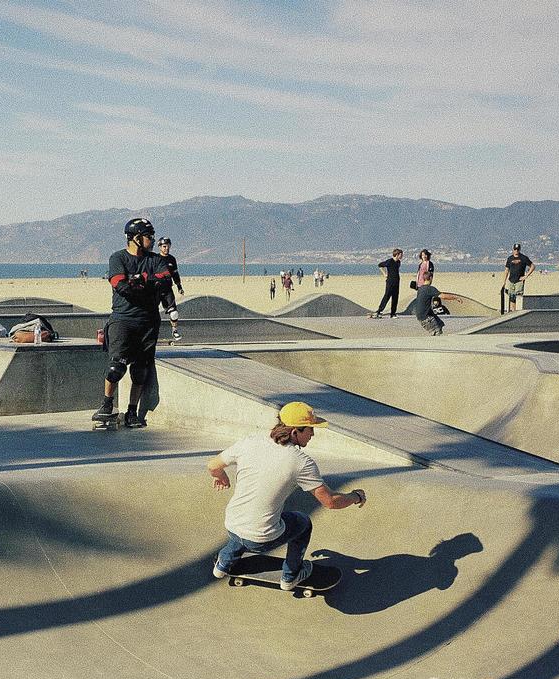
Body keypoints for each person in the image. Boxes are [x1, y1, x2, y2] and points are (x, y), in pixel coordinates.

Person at [207, 402, 367, 589]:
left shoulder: (249, 442)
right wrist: (356, 496)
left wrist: (222, 478)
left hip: (231, 524)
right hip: (261, 538)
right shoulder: (301, 462)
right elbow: (330, 502)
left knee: (247, 520)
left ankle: (223, 564)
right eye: (310, 429)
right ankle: (291, 575)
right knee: (303, 523)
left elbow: (212, 465)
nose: (313, 434)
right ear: (294, 432)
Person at [92, 217, 173, 429]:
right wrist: (148, 284)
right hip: (123, 320)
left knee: (140, 370)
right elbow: (121, 286)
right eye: (149, 236)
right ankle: (107, 404)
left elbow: (165, 281)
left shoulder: (156, 259)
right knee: (116, 366)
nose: (153, 240)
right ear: (136, 238)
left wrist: (139, 282)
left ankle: (131, 411)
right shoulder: (117, 258)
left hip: (148, 321)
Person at [157, 237, 184, 342]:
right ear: (160, 247)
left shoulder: (172, 259)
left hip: (168, 289)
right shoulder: (155, 258)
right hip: (156, 289)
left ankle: (174, 330)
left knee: (174, 313)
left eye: (168, 246)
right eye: (164, 246)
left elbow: (175, 274)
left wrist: (179, 287)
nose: (166, 248)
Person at [369, 248, 403, 318]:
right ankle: (379, 311)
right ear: (397, 255)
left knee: (395, 297)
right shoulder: (389, 261)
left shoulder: (398, 262)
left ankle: (393, 313)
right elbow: (380, 265)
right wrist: (384, 274)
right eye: (401, 255)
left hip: (397, 281)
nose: (402, 256)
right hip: (390, 282)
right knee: (387, 296)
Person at [502, 244, 534, 311]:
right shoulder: (510, 258)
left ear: (519, 250)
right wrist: (504, 281)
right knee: (512, 297)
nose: (516, 251)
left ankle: (518, 312)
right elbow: (506, 270)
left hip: (519, 281)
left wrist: (526, 276)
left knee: (518, 297)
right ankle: (513, 312)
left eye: (517, 249)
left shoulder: (523, 258)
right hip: (511, 281)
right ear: (513, 249)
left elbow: (532, 266)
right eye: (515, 249)